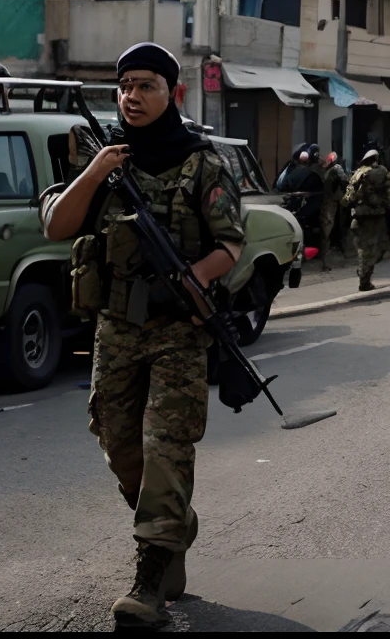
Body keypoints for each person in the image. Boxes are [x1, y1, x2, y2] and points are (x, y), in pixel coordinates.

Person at [40, 43, 244, 629]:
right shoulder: (103, 160)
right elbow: (56, 224)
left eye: (145, 85)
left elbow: (231, 244)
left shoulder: (203, 164)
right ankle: (173, 523)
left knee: (165, 446)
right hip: (117, 326)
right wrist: (97, 171)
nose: (131, 96)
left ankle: (149, 582)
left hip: (179, 330)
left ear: (172, 93)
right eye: (124, 85)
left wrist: (192, 279)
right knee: (118, 442)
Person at [342, 150, 390, 291]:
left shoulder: (357, 173)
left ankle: (364, 273)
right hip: (374, 215)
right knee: (374, 248)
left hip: (358, 215)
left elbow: (349, 197)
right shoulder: (379, 171)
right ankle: (364, 278)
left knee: (364, 247)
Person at [274, 144, 324, 251]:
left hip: (283, 201)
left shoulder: (289, 168)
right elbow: (321, 190)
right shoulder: (309, 174)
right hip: (295, 206)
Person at [319, 151, 350, 254]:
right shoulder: (337, 168)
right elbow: (345, 179)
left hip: (328, 199)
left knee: (328, 222)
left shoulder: (326, 170)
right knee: (333, 222)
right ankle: (332, 245)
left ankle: (329, 245)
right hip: (334, 199)